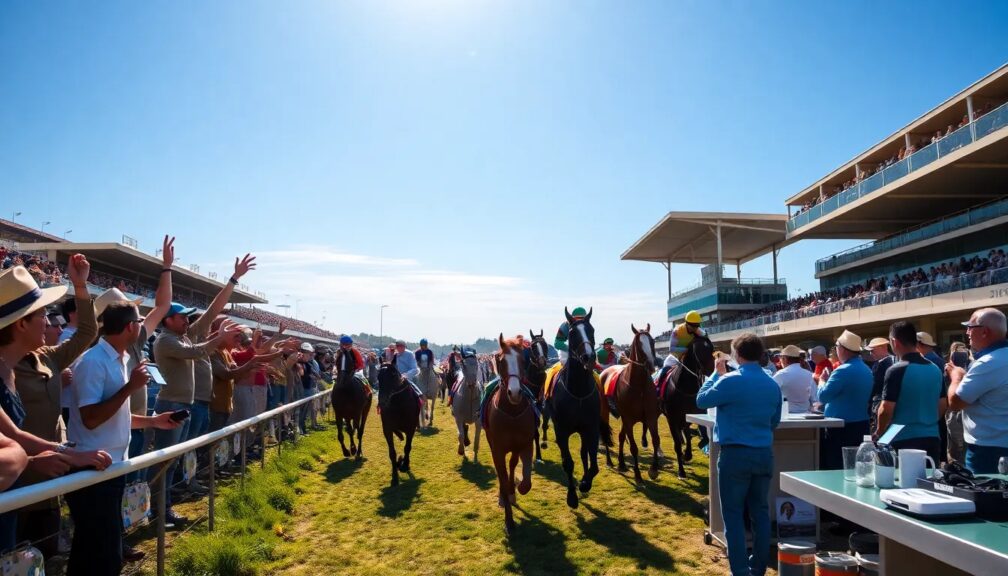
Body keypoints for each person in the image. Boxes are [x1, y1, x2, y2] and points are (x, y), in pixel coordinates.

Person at [0, 262, 113, 551]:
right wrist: (66, 456)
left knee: (39, 554)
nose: (51, 323)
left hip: (40, 476)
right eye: (42, 315)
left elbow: (13, 433)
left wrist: (81, 286)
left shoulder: (44, 357)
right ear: (21, 323)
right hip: (18, 480)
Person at [64, 302, 181, 576]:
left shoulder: (121, 359)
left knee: (93, 550)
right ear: (131, 327)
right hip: (92, 469)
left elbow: (115, 414)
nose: (142, 328)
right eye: (139, 322)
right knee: (102, 554)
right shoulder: (93, 362)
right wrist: (130, 387)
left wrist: (152, 421)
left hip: (111, 466)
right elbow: (91, 418)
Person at [150, 253, 254, 523]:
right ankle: (159, 510)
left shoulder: (183, 336)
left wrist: (233, 279)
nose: (187, 321)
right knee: (166, 461)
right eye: (181, 317)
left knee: (175, 459)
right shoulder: (165, 341)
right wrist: (217, 338)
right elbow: (197, 352)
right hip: (172, 406)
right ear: (168, 320)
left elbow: (211, 312)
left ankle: (166, 505)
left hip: (186, 405)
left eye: (187, 318)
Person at [696, 333, 781, 576]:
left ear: (737, 355)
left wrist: (715, 373)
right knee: (760, 513)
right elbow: (773, 421)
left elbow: (701, 400)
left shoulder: (730, 381)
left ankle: (741, 570)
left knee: (732, 515)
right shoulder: (772, 383)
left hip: (735, 455)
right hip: (763, 453)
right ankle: (758, 566)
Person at [946, 307, 1008, 474]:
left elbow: (955, 402)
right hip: (998, 445)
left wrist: (956, 377)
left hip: (988, 449)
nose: (967, 332)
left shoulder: (988, 362)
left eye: (971, 327)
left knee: (985, 498)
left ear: (985, 332)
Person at [876, 321, 944, 462]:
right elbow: (943, 404)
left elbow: (886, 409)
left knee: (904, 482)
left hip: (902, 439)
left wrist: (879, 431)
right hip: (932, 437)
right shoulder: (935, 369)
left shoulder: (896, 370)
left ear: (894, 342)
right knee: (929, 481)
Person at [817, 330, 873, 470]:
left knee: (835, 467)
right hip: (861, 424)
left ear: (841, 348)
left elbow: (823, 396)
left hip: (840, 428)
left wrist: (822, 381)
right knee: (856, 467)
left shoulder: (842, 370)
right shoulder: (866, 369)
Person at [864, 337, 894, 437]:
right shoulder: (888, 362)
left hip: (880, 403)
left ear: (882, 348)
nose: (871, 354)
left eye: (872, 350)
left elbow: (876, 385)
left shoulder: (884, 364)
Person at [773, 345, 815, 413]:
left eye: (781, 357)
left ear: (785, 359)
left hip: (786, 414)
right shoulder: (809, 374)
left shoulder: (781, 374)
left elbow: (772, 395)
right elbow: (814, 397)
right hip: (806, 414)